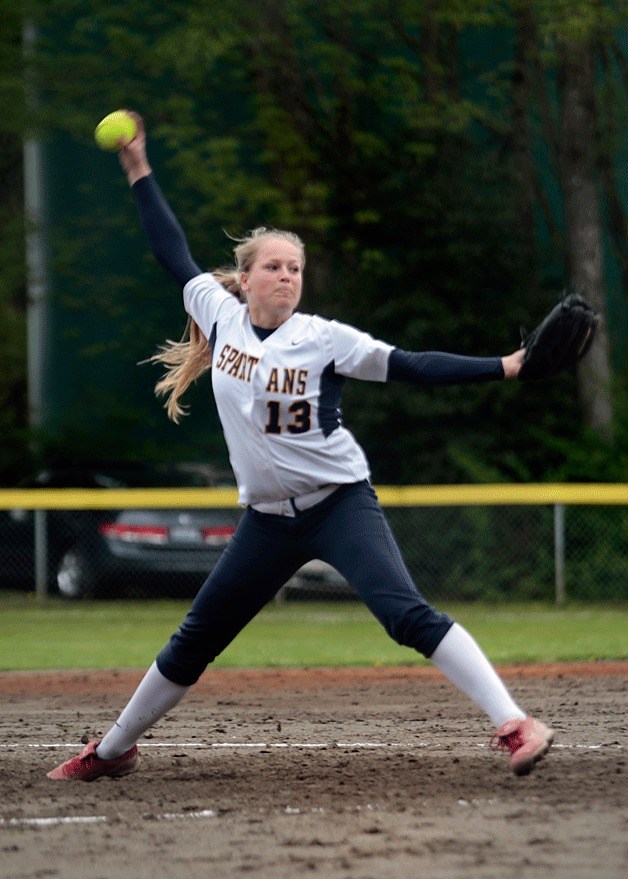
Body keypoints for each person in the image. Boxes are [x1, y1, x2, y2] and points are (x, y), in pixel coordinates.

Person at [48, 112, 553, 782]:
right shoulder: (220, 315)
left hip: (339, 504)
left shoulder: (325, 338)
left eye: (296, 268)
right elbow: (170, 251)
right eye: (275, 267)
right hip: (265, 522)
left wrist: (505, 365)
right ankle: (109, 752)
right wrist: (138, 168)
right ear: (247, 276)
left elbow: (412, 364)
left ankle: (516, 722)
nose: (287, 276)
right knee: (195, 638)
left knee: (404, 614)